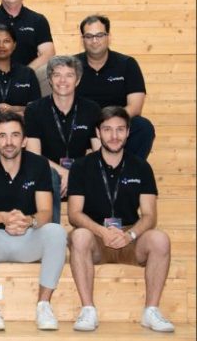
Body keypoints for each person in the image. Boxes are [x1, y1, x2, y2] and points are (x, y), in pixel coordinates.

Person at [67, 106, 174, 332]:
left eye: (120, 130)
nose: (114, 136)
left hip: (130, 237)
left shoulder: (142, 167)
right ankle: (88, 310)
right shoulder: (81, 166)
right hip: (96, 236)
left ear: (128, 132)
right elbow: (74, 213)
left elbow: (150, 215)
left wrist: (130, 235)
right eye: (107, 130)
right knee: (79, 236)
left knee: (160, 239)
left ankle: (151, 311)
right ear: (98, 133)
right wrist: (102, 232)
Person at [0, 111, 66, 331]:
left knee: (56, 231)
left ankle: (43, 306)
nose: (8, 142)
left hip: (28, 239)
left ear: (24, 140)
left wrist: (29, 221)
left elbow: (46, 212)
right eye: (2, 136)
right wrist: (2, 217)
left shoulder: (39, 165)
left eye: (15, 135)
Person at [25, 55, 101, 223]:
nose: (62, 81)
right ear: (50, 79)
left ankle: (96, 231)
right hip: (47, 173)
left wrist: (74, 173)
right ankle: (52, 231)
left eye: (69, 75)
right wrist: (64, 172)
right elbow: (34, 155)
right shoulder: (34, 110)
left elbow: (99, 152)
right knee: (51, 176)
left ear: (78, 80)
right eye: (57, 75)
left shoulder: (92, 109)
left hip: (80, 173)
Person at [74, 14, 155, 160]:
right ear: (82, 39)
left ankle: (127, 170)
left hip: (116, 124)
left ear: (109, 36)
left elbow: (135, 107)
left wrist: (108, 124)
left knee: (143, 127)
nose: (94, 41)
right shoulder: (72, 65)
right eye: (89, 36)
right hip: (82, 126)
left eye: (100, 35)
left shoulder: (127, 64)